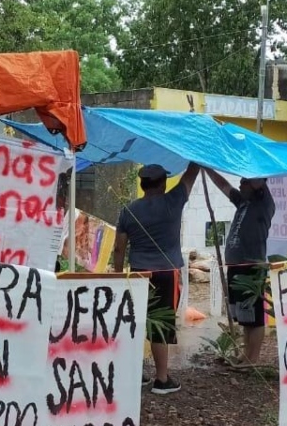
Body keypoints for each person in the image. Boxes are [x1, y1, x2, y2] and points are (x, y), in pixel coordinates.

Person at [112, 162, 201, 395]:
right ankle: (162, 379)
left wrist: (119, 276)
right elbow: (191, 175)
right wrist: (197, 156)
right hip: (166, 273)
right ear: (162, 184)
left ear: (142, 185)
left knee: (137, 322)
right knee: (159, 324)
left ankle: (135, 373)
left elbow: (119, 248)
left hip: (138, 273)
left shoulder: (128, 210)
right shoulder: (173, 200)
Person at [206, 171, 276, 367]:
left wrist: (250, 164)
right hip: (236, 266)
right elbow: (224, 186)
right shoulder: (243, 202)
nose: (240, 184)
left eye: (245, 181)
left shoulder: (263, 203)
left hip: (251, 266)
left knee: (254, 318)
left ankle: (252, 359)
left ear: (257, 184)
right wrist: (208, 169)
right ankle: (245, 355)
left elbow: (257, 176)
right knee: (245, 316)